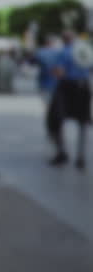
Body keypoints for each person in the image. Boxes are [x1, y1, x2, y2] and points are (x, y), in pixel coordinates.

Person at [47, 31, 92, 169]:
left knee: (55, 120)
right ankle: (81, 157)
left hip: (67, 88)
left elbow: (59, 72)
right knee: (82, 122)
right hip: (83, 87)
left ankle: (62, 152)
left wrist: (53, 72)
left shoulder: (64, 52)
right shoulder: (86, 50)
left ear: (64, 40)